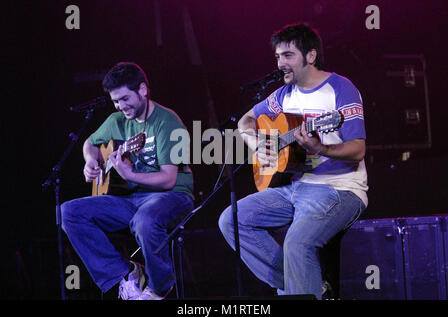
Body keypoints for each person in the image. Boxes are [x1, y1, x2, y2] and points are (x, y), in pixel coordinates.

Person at [218, 23, 368, 300]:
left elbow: (358, 150)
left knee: (297, 244)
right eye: (277, 57)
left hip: (339, 188)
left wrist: (320, 148)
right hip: (297, 188)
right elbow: (245, 121)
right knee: (232, 220)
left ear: (310, 56)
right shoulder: (284, 94)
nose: (280, 63)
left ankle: (301, 289)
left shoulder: (340, 88)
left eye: (288, 55)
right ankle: (301, 287)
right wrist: (257, 144)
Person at [61, 62, 194, 300]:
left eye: (124, 99)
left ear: (142, 89)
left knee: (145, 220)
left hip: (172, 195)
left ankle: (159, 288)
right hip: (132, 199)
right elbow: (89, 143)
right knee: (68, 212)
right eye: (115, 101)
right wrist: (90, 161)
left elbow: (168, 179)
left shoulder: (167, 121)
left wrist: (129, 174)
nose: (121, 106)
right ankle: (126, 276)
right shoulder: (117, 121)